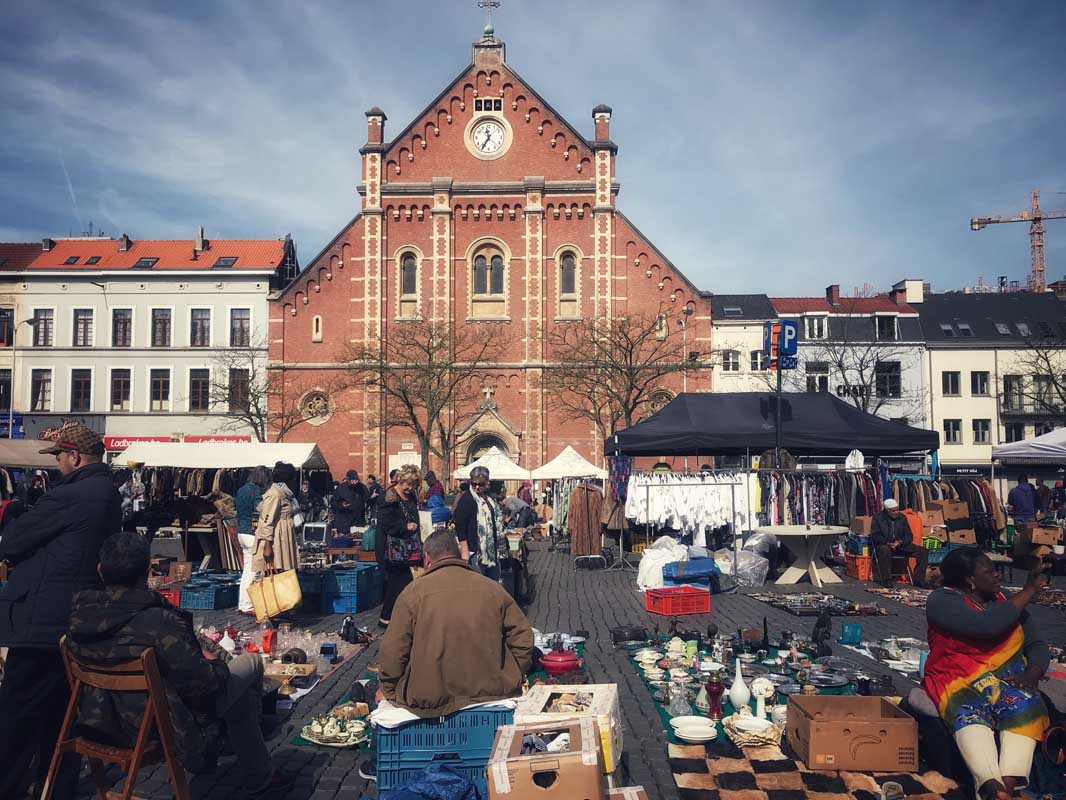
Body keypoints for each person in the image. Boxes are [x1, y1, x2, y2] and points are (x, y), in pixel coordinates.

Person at [67, 532, 291, 798]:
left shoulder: (78, 617)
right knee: (251, 664)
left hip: (101, 721)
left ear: (100, 571)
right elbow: (205, 687)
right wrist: (215, 663)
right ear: (147, 571)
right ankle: (257, 764)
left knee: (236, 693)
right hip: (163, 724)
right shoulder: (157, 622)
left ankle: (252, 750)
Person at [0, 424, 122, 799]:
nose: (57, 465)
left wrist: (19, 516)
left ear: (74, 456)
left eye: (58, 457)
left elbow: (14, 541)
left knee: (16, 715)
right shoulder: (108, 492)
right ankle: (56, 787)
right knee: (61, 714)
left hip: (42, 618)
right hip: (74, 616)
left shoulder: (71, 494)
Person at [922, 549, 1050, 800]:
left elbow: (1037, 645)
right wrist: (1030, 590)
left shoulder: (1005, 600)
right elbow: (986, 626)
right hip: (958, 679)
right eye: (989, 571)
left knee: (1026, 704)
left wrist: (1032, 673)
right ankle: (990, 784)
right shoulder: (942, 600)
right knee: (969, 713)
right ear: (970, 579)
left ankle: (1006, 786)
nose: (997, 575)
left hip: (1006, 679)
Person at [377, 528, 533, 718]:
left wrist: (390, 691)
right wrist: (511, 672)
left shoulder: (411, 594)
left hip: (428, 701)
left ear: (426, 558)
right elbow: (523, 639)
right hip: (493, 693)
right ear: (458, 555)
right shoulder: (492, 588)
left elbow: (393, 652)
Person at [375, 464, 421, 628]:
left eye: (413, 484)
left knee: (402, 583)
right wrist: (405, 526)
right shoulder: (389, 497)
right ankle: (386, 617)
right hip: (392, 549)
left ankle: (392, 617)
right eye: (408, 484)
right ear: (400, 480)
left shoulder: (412, 496)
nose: (410, 487)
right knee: (398, 583)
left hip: (408, 548)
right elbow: (386, 523)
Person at [453, 466, 503, 580]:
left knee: (493, 583)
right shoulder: (467, 499)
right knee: (478, 583)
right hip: (475, 550)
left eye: (480, 484)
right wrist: (464, 550)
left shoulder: (489, 498)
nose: (476, 487)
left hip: (491, 550)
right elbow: (460, 526)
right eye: (474, 483)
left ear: (486, 483)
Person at [235, 466, 271, 615]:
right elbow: (259, 508)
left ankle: (243, 603)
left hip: (241, 532)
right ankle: (248, 604)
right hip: (251, 533)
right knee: (254, 571)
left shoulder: (241, 489)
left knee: (246, 571)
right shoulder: (256, 491)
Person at [252, 462, 299, 574]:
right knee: (274, 573)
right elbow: (267, 520)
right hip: (276, 539)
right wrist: (267, 546)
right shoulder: (275, 494)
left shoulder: (284, 493)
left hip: (283, 537)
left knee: (283, 574)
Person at [870, 498, 928, 588]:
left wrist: (900, 542)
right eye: (893, 511)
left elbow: (909, 535)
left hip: (901, 546)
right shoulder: (878, 518)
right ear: (887, 511)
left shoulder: (902, 518)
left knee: (923, 551)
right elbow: (875, 535)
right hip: (885, 545)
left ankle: (918, 579)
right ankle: (887, 579)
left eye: (897, 509)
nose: (896, 512)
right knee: (884, 550)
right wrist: (887, 543)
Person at [331, 470, 369, 534]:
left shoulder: (362, 487)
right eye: (352, 480)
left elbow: (367, 500)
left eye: (355, 480)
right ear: (347, 479)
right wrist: (341, 505)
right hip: (345, 522)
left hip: (358, 522)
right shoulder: (341, 488)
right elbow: (333, 503)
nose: (354, 482)